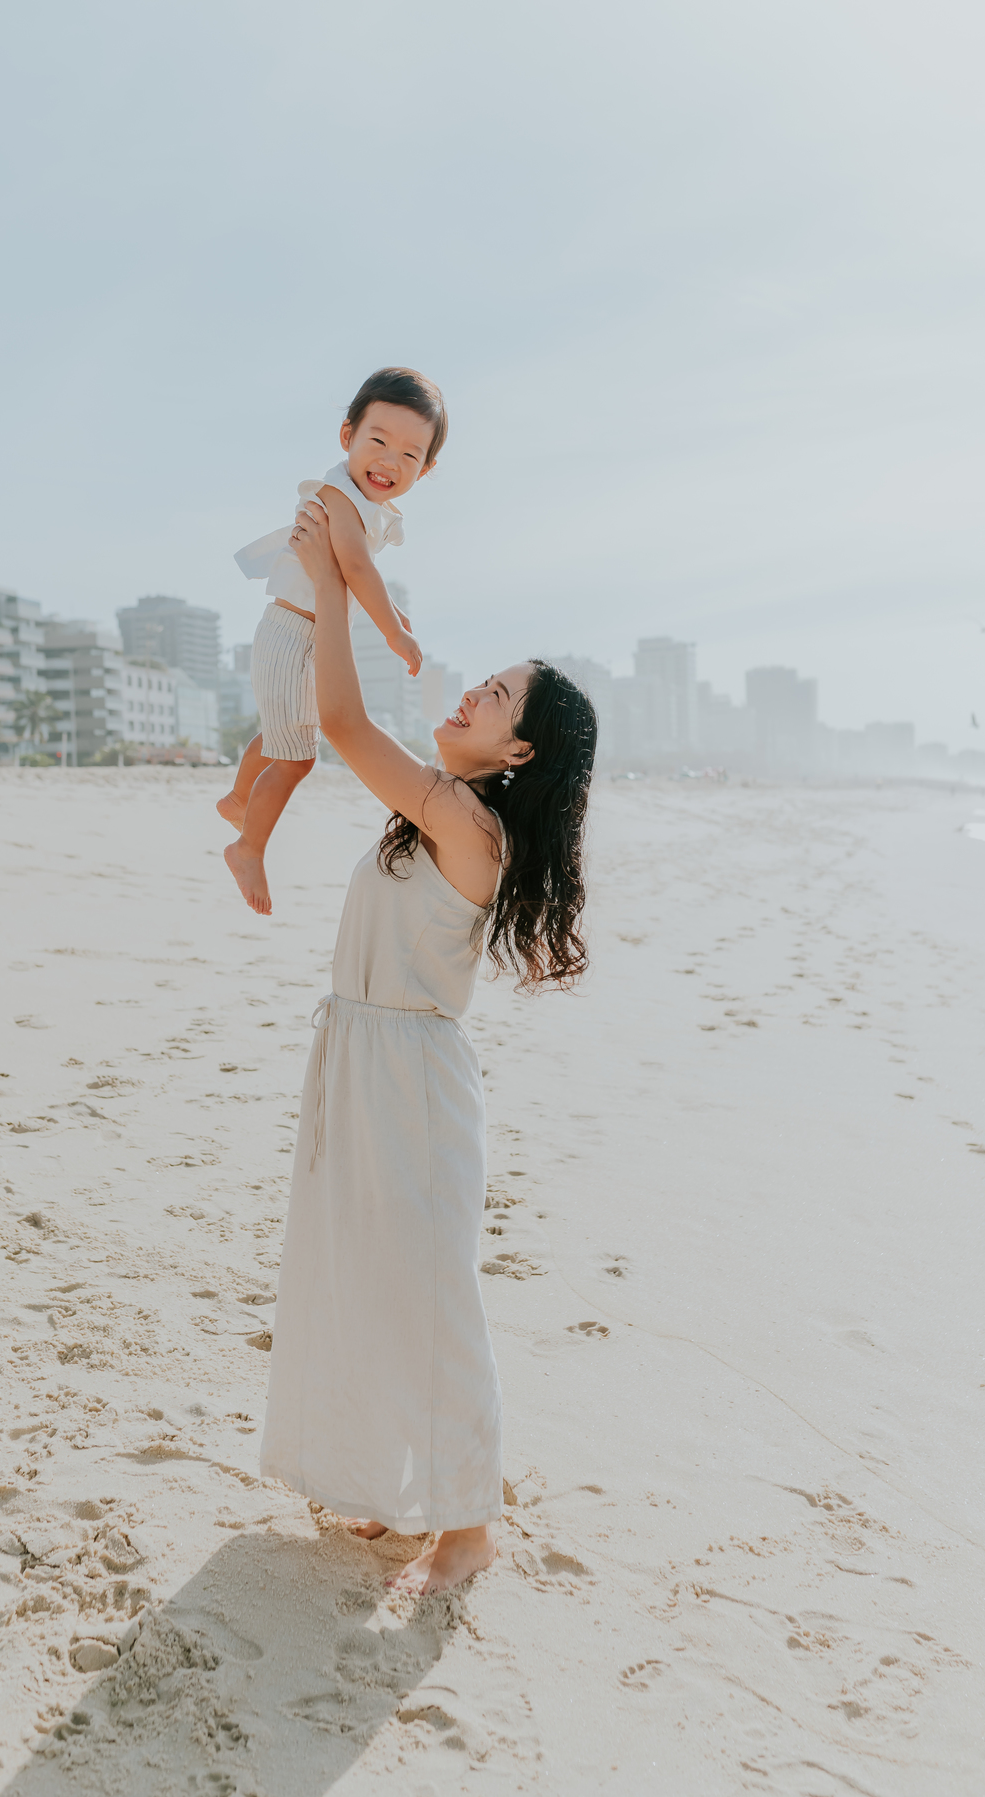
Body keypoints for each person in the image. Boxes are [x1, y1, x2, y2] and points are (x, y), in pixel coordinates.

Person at [255, 498, 597, 1595]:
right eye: (482, 680)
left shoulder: (468, 820)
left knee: (432, 1299)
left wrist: (342, 586)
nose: (470, 693)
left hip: (408, 1079)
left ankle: (469, 1523)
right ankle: (398, 1491)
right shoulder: (433, 813)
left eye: (493, 695)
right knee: (361, 1281)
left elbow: (347, 726)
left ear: (520, 748)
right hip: (360, 1062)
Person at [218, 366, 448, 916]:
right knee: (297, 758)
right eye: (378, 441)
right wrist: (393, 630)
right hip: (291, 632)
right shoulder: (338, 493)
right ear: (347, 436)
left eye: (411, 454)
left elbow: (354, 571)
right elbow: (355, 567)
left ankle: (238, 799)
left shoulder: (361, 500)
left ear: (428, 467)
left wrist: (393, 611)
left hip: (302, 632)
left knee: (286, 735)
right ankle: (247, 846)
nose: (390, 461)